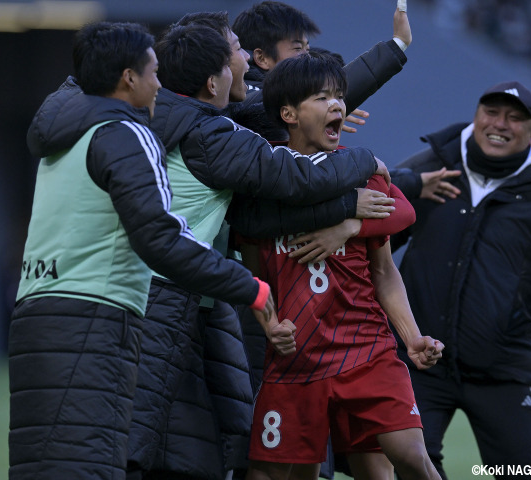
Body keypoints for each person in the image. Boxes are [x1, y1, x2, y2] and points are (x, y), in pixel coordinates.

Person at [9, 21, 278, 480]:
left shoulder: (65, 136)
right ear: (128, 79)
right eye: (153, 72)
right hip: (95, 317)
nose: (161, 84)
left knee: (47, 464)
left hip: (35, 314)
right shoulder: (127, 134)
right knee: (92, 465)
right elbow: (159, 236)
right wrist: (248, 287)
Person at [125, 21, 393, 480]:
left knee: (213, 438)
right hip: (171, 294)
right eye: (236, 51)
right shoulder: (211, 135)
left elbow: (253, 213)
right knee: (143, 437)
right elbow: (298, 177)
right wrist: (363, 169)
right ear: (213, 81)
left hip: (200, 300)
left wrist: (346, 220)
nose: (246, 61)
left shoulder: (171, 122)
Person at [241, 51, 444, 480]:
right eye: (321, 97)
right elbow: (258, 274)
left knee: (408, 457)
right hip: (297, 359)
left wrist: (411, 338)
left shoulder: (362, 173)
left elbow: (385, 272)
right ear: (288, 113)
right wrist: (269, 323)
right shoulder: (262, 181)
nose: (337, 105)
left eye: (339, 97)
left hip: (365, 349)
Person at [391, 81, 531, 479]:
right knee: (406, 461)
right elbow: (379, 225)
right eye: (491, 113)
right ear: (476, 117)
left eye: (514, 118)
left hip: (504, 366)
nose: (500, 124)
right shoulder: (433, 167)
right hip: (420, 358)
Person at [229, 0, 412, 140]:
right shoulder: (246, 98)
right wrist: (397, 44)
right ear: (262, 58)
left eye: (307, 49)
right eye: (297, 48)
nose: (306, 56)